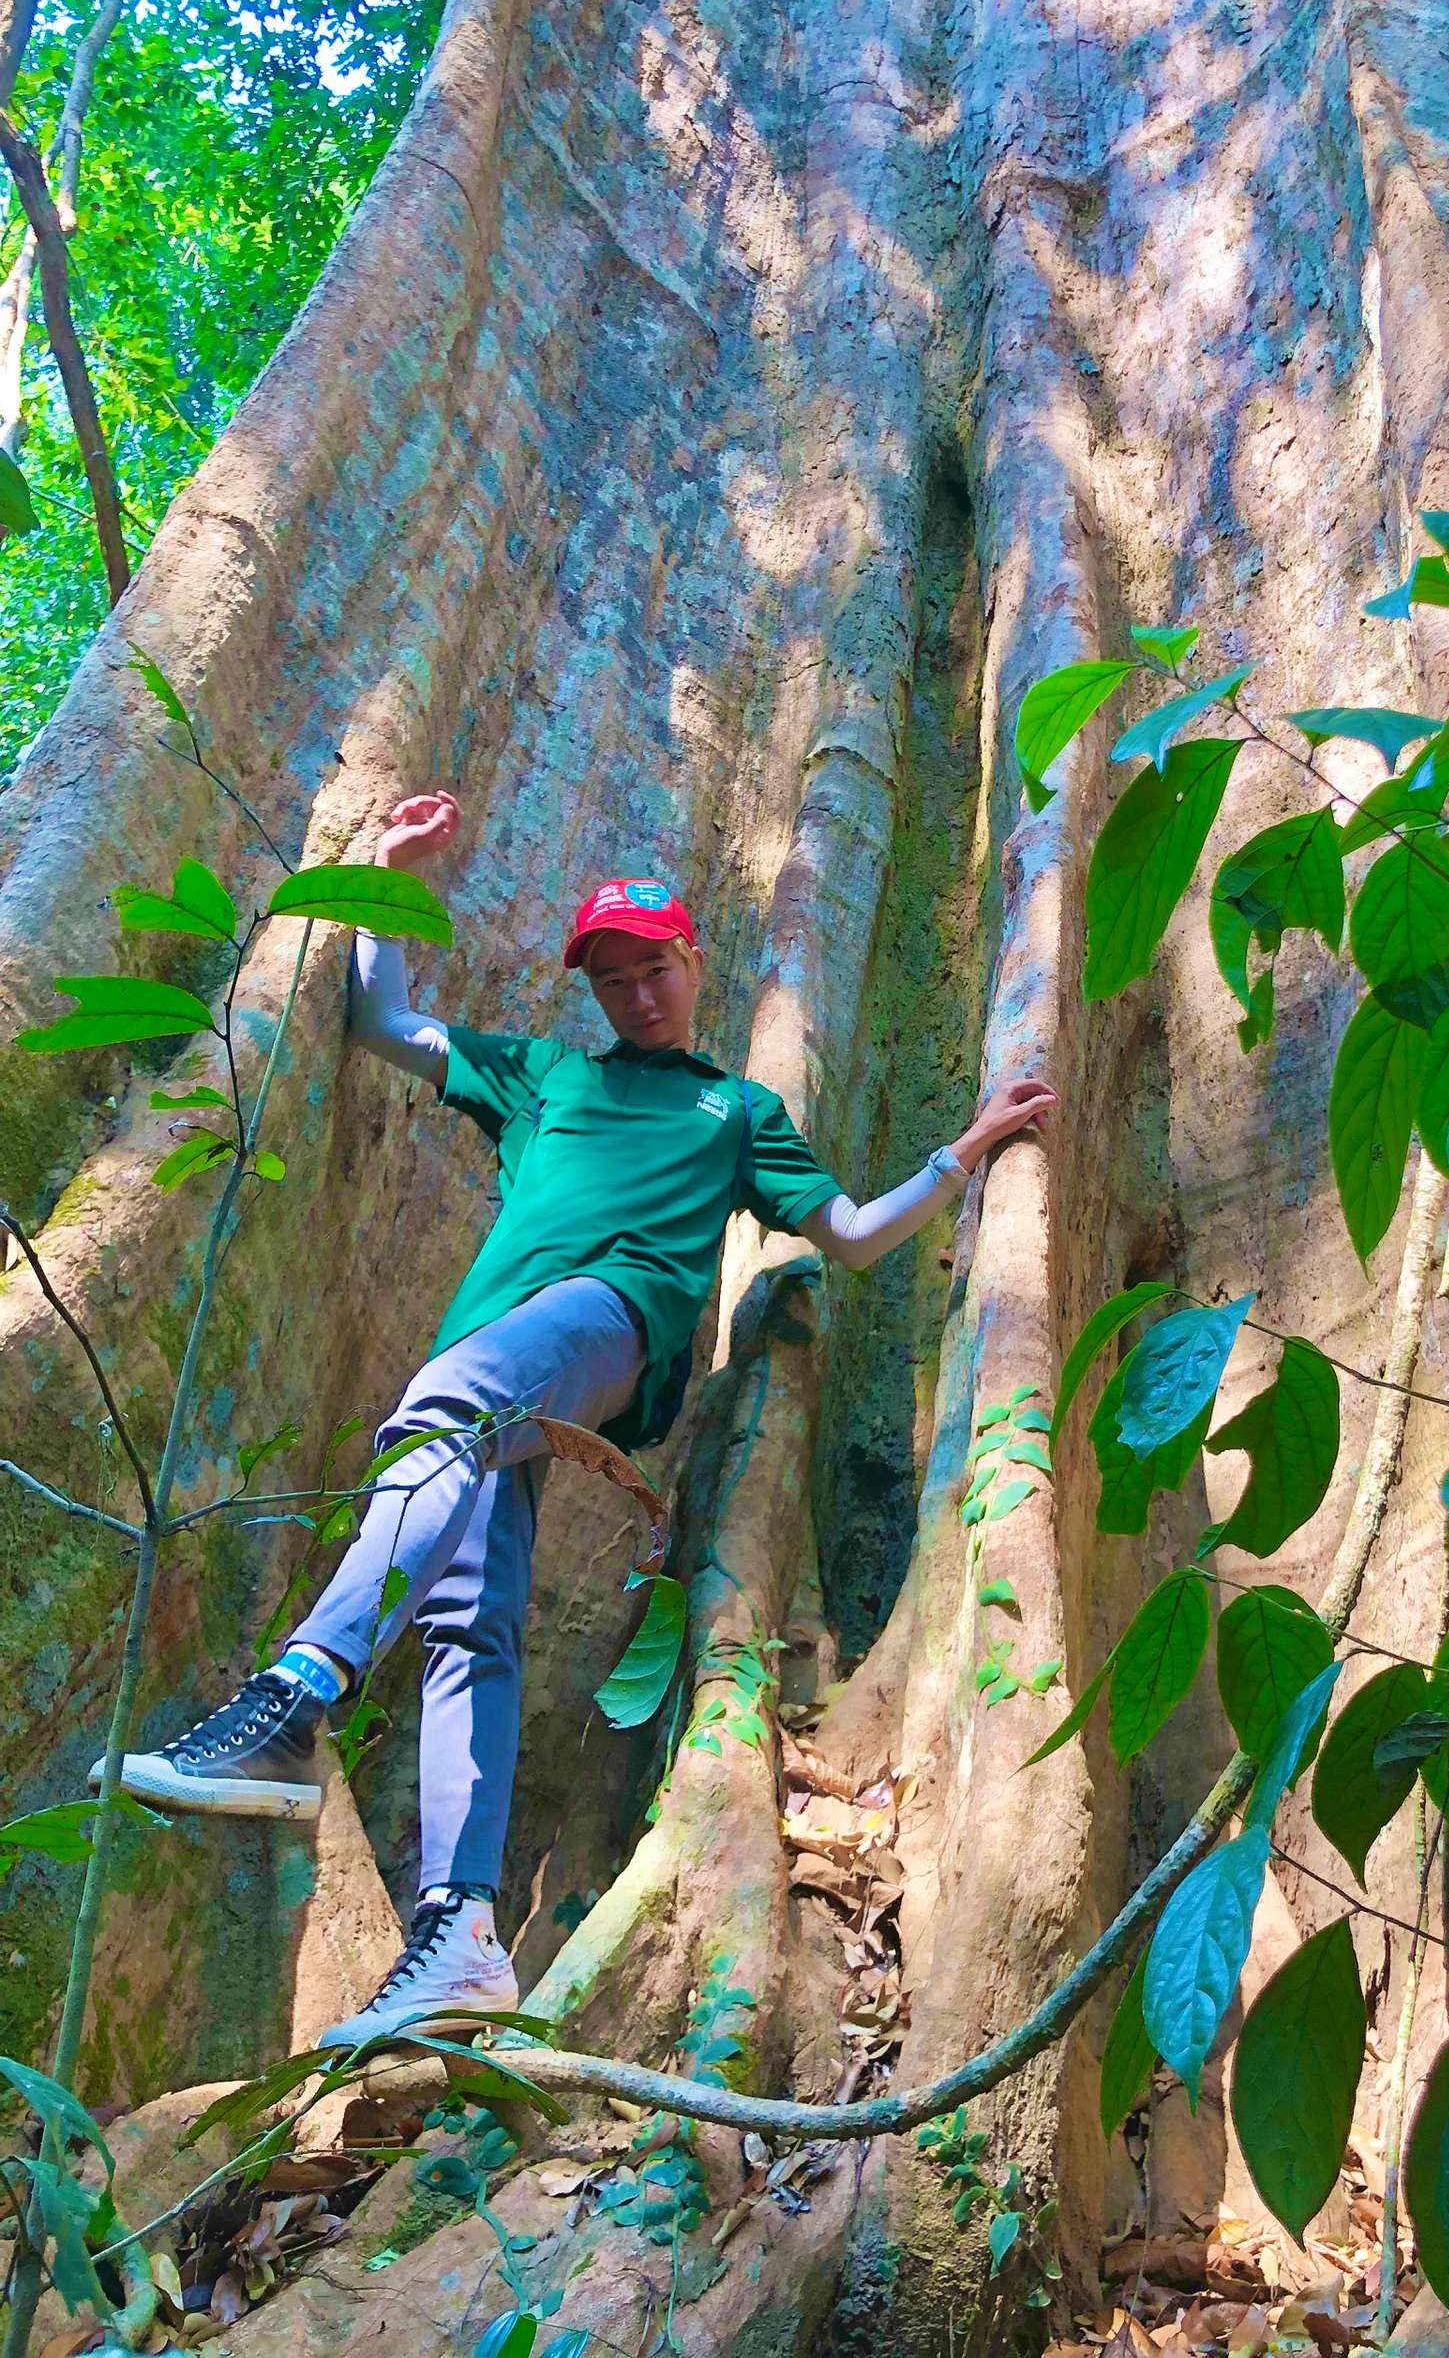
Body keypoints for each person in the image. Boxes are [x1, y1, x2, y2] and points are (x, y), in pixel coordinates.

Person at [92, 790, 1056, 2050]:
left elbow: (855, 1236)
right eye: (611, 977)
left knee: (446, 1413)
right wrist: (384, 880)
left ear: (691, 962)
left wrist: (967, 1152)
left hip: (612, 1321)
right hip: (501, 1338)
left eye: (653, 968)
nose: (637, 995)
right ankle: (462, 1936)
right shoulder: (541, 1075)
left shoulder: (734, 1112)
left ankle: (297, 1698)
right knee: (463, 1617)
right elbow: (383, 1018)